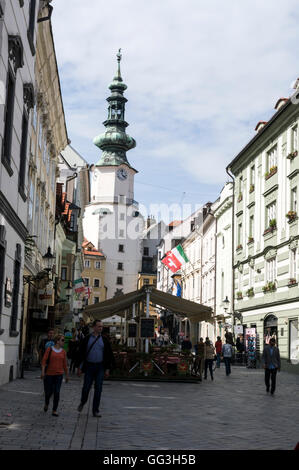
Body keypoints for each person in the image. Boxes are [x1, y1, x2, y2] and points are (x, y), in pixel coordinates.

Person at [77, 320, 115, 418]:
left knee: (98, 389)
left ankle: (95, 410)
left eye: (101, 327)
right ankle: (83, 401)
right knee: (86, 388)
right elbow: (81, 353)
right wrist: (80, 368)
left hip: (100, 367)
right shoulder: (87, 339)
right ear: (93, 327)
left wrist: (107, 369)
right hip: (89, 366)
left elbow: (108, 355)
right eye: (99, 326)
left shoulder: (104, 340)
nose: (100, 328)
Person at [41, 334, 69, 416]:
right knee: (48, 392)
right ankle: (46, 403)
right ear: (57, 341)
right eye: (62, 340)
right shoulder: (49, 350)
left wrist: (67, 375)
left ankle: (54, 410)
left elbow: (65, 365)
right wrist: (43, 372)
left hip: (59, 375)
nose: (64, 342)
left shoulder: (63, 352)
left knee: (57, 392)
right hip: (49, 374)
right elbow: (44, 361)